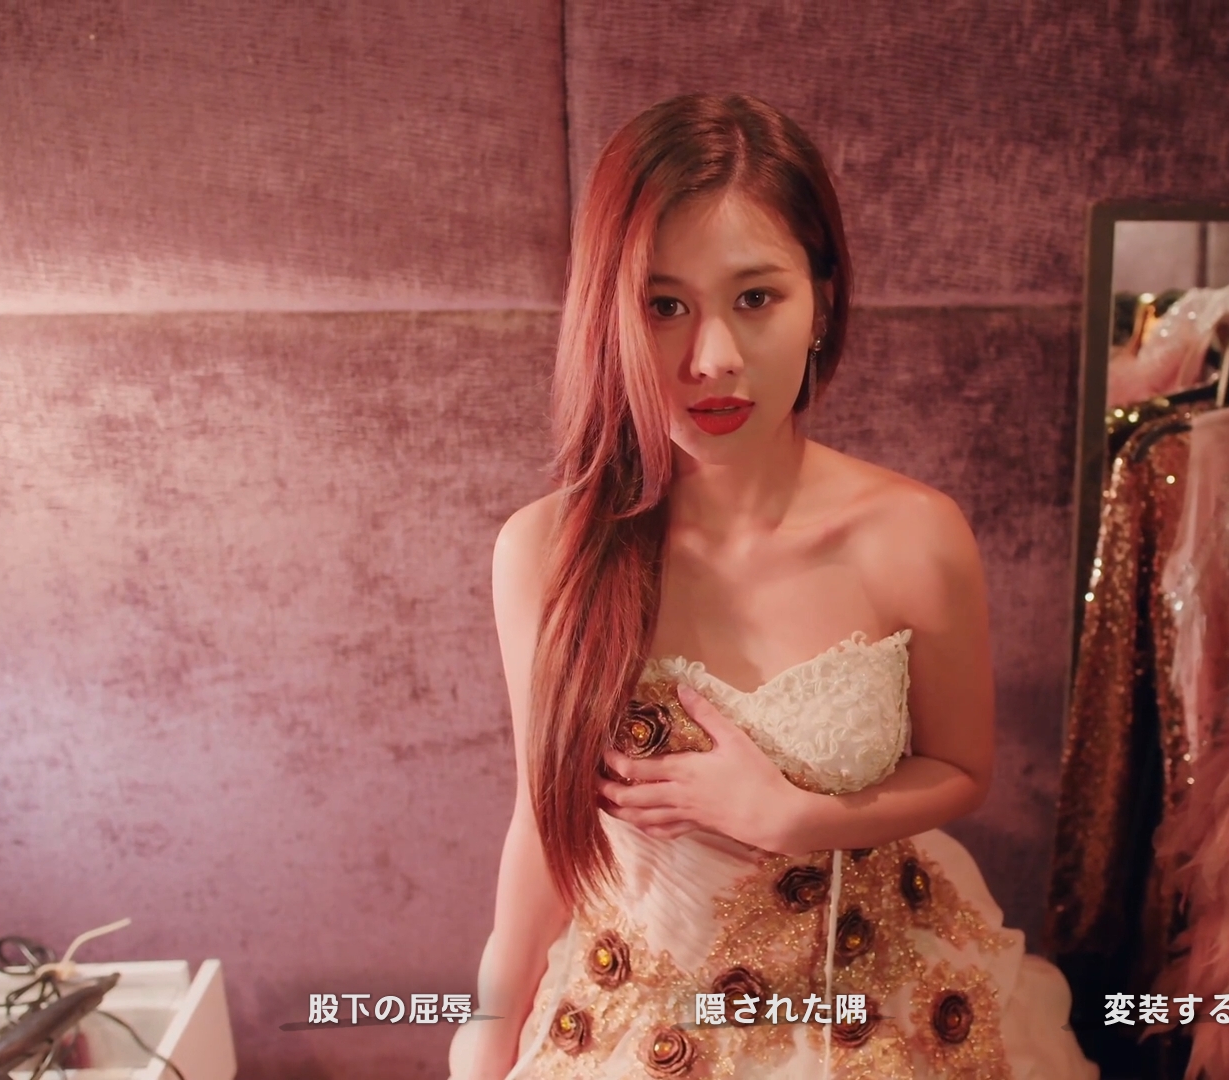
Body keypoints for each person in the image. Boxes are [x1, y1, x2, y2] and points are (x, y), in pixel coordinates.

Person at [449, 92, 1099, 1080]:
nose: (712, 359)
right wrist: (489, 1033)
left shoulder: (913, 535)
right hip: (640, 1019)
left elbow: (962, 768)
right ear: (610, 316)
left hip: (878, 1009)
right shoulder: (548, 550)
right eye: (664, 305)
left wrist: (800, 819)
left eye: (755, 298)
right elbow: (543, 818)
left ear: (821, 303)